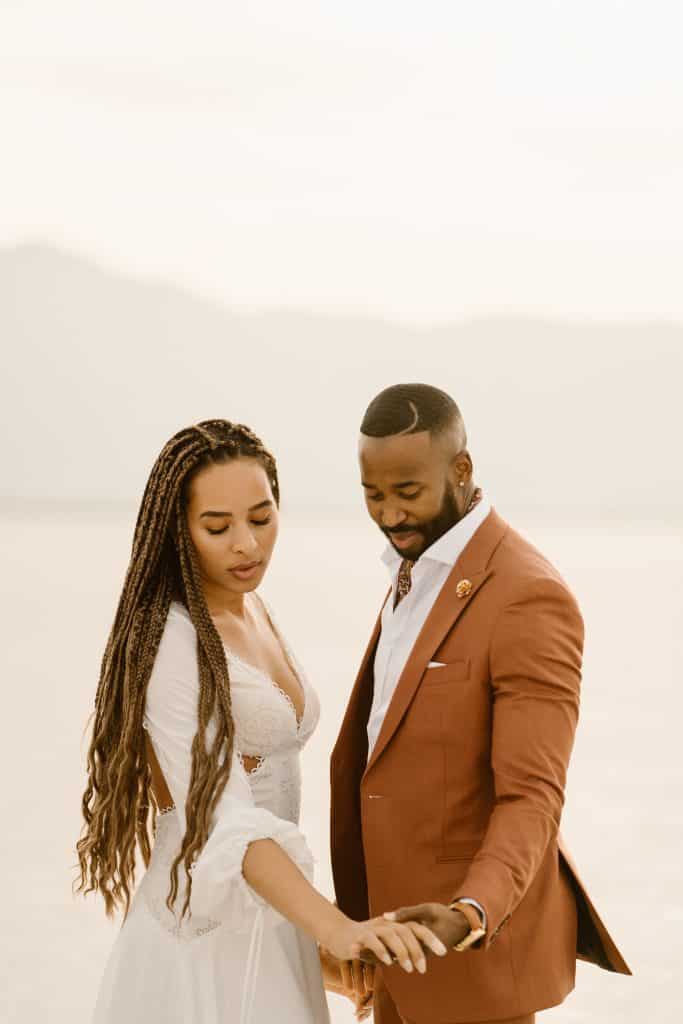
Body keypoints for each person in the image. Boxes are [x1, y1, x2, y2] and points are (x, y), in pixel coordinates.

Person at [76, 419, 447, 1024]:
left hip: (272, 925)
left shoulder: (253, 607)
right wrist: (338, 929)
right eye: (217, 527)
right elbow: (226, 818)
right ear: (177, 532)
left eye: (262, 516)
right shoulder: (172, 642)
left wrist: (313, 948)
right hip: (202, 945)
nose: (247, 544)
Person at [330, 384, 632, 1024]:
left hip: (474, 964)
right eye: (372, 494)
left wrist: (472, 912)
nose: (389, 514)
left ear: (461, 470)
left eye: (407, 492)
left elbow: (533, 796)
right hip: (394, 953)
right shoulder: (410, 575)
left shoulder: (528, 595)